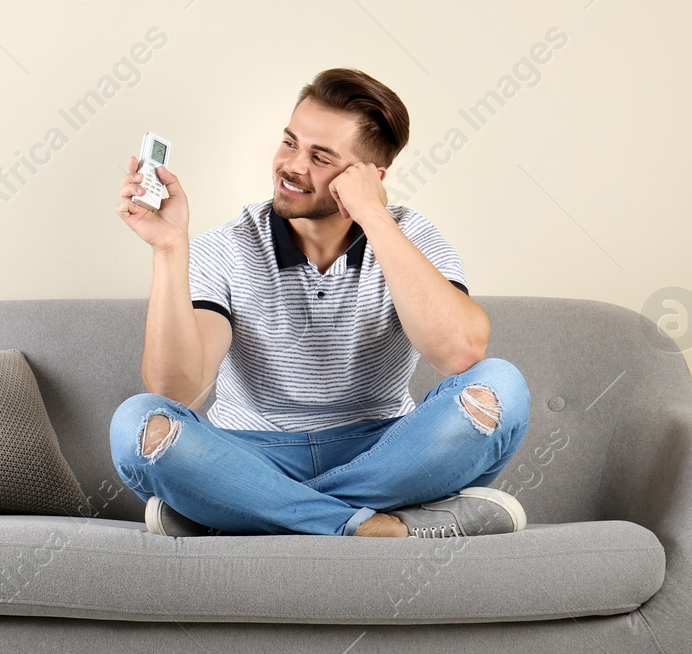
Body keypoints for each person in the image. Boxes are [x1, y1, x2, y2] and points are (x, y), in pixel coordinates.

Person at [110, 68, 530, 538]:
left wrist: (373, 215)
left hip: (382, 451)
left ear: (370, 177)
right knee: (137, 422)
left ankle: (247, 508)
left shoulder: (409, 236)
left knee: (502, 385)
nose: (291, 165)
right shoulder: (225, 247)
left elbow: (460, 352)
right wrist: (169, 249)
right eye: (289, 143)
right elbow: (176, 390)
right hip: (249, 452)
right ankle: (375, 526)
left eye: (320, 157)